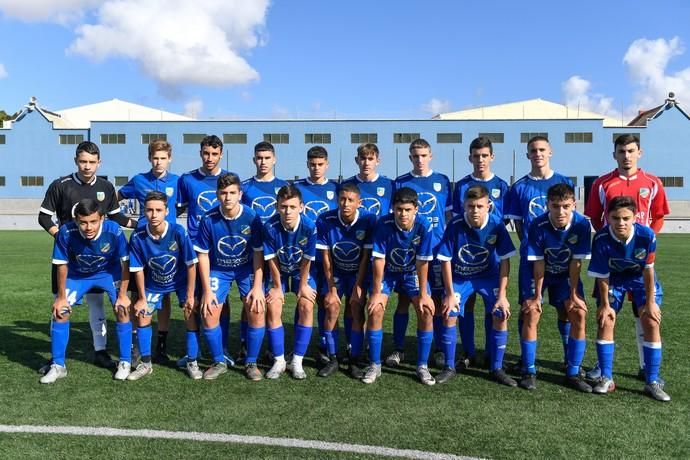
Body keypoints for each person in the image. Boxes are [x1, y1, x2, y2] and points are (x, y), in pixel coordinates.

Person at [38, 141, 135, 373]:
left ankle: (100, 351)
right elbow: (43, 217)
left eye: (92, 162)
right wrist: (62, 238)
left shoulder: (106, 186)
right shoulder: (60, 185)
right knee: (60, 305)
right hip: (70, 259)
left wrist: (142, 225)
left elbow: (116, 218)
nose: (87, 166)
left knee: (97, 304)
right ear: (76, 161)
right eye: (83, 161)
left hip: (99, 260)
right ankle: (56, 359)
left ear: (99, 163)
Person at [584, 134, 670, 381]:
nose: (626, 155)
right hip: (611, 262)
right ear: (615, 155)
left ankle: (646, 367)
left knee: (645, 313)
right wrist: (612, 241)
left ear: (639, 153)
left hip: (641, 259)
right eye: (621, 151)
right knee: (606, 312)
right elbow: (594, 216)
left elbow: (659, 215)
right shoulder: (603, 184)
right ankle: (603, 367)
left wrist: (643, 240)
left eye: (631, 151)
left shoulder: (652, 183)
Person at [587, 196, 670, 402]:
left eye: (626, 218)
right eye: (615, 218)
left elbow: (649, 271)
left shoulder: (646, 235)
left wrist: (650, 303)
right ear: (608, 217)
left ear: (634, 217)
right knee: (605, 320)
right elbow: (602, 275)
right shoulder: (601, 238)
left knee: (651, 320)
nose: (621, 223)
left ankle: (652, 381)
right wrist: (605, 305)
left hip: (640, 279)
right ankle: (607, 378)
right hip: (613, 279)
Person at [40, 198, 132, 383]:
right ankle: (58, 366)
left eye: (93, 222)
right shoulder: (66, 232)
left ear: (102, 219)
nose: (88, 227)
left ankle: (125, 362)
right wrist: (61, 297)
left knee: (122, 309)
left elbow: (125, 263)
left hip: (108, 273)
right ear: (76, 221)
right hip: (78, 275)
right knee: (61, 312)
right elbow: (62, 265)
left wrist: (122, 295)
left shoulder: (114, 230)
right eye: (83, 222)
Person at [504, 136, 573, 373]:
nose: (538, 154)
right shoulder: (520, 186)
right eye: (533, 150)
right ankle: (526, 360)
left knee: (566, 307)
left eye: (542, 149)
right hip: (531, 259)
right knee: (528, 307)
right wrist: (532, 247)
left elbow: (571, 217)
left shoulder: (563, 181)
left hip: (561, 260)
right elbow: (519, 224)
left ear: (550, 152)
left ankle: (568, 358)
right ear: (528, 155)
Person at [437, 185, 517, 386]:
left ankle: (496, 367)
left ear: (488, 206)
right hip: (461, 277)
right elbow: (445, 260)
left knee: (500, 312)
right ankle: (450, 365)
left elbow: (506, 260)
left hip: (488, 276)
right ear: (464, 205)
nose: (475, 210)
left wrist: (503, 295)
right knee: (449, 312)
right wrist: (448, 293)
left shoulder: (497, 224)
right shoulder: (455, 224)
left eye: (479, 206)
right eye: (470, 206)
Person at [194, 174, 266, 380]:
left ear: (240, 194)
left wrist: (258, 287)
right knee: (209, 311)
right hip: (219, 269)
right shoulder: (209, 218)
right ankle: (219, 361)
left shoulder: (252, 217)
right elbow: (203, 255)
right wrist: (207, 291)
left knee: (256, 308)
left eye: (232, 193)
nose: (228, 198)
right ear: (217, 195)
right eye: (224, 193)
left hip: (246, 269)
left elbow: (258, 253)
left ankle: (251, 362)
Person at [522, 183, 592, 392]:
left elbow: (576, 262)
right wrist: (536, 296)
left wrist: (573, 294)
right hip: (536, 269)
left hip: (565, 273)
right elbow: (539, 262)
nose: (560, 211)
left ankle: (572, 371)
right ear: (547, 205)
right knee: (531, 312)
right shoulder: (537, 224)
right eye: (555, 206)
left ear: (573, 205)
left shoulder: (581, 225)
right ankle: (529, 370)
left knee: (576, 312)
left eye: (565, 206)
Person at [363, 187, 435, 385]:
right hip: (387, 272)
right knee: (376, 309)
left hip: (411, 271)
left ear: (416, 209)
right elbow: (378, 260)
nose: (403, 214)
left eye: (407, 210)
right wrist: (377, 292)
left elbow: (422, 262)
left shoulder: (424, 225)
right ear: (393, 208)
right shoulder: (383, 224)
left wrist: (423, 294)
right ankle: (375, 365)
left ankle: (422, 366)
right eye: (399, 209)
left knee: (426, 310)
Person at [389, 139, 451, 369]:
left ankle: (437, 349)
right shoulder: (401, 182)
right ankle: (398, 348)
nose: (420, 160)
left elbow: (449, 217)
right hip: (408, 252)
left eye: (423, 155)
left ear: (431, 156)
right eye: (415, 156)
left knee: (434, 300)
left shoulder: (442, 181)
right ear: (410, 157)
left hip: (437, 252)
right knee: (405, 299)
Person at [177, 135, 236, 366]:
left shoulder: (229, 180)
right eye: (205, 153)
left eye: (214, 154)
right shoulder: (187, 179)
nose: (209, 158)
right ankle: (193, 352)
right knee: (192, 297)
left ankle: (222, 348)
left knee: (219, 299)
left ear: (221, 154)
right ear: (200, 153)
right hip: (194, 247)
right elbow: (177, 210)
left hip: (220, 249)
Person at [451, 136, 510, 369]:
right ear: (470, 158)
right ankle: (468, 351)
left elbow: (502, 224)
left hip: (492, 258)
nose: (480, 160)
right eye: (476, 156)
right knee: (467, 304)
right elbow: (457, 220)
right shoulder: (462, 186)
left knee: (492, 306)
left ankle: (490, 352)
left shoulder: (502, 186)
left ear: (492, 157)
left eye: (485, 155)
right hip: (465, 258)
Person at [118, 139, 179, 363]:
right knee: (138, 292)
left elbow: (184, 204)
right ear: (149, 158)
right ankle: (136, 342)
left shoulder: (177, 182)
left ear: (169, 159)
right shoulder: (139, 180)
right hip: (142, 243)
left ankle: (161, 343)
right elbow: (116, 199)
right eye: (155, 157)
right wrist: (130, 223)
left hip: (167, 244)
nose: (159, 162)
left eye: (163, 158)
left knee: (165, 294)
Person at [127, 191, 197, 380]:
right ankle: (146, 363)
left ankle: (192, 361)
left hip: (180, 280)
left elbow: (191, 265)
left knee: (190, 312)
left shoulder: (178, 232)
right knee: (142, 315)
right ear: (144, 212)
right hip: (154, 283)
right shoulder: (138, 236)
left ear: (167, 211)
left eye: (158, 210)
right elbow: (138, 269)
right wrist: (141, 298)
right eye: (149, 210)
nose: (154, 214)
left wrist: (190, 296)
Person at [315, 182, 376, 378]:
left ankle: (354, 358)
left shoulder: (368, 220)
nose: (346, 203)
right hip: (336, 273)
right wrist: (331, 288)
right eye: (342, 199)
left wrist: (359, 285)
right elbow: (326, 257)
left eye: (350, 200)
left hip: (357, 273)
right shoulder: (325, 219)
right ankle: (332, 358)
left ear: (359, 202)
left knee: (356, 307)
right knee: (331, 306)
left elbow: (366, 256)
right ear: (337, 200)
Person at [262, 185, 318, 380]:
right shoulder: (270, 226)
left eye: (292, 207)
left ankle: (297, 361)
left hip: (300, 271)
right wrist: (277, 287)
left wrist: (303, 285)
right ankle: (279, 360)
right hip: (279, 271)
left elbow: (307, 259)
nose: (288, 211)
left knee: (306, 305)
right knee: (273, 304)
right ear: (277, 207)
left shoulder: (309, 226)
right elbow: (271, 259)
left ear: (301, 207)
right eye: (283, 207)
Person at [239, 141, 289, 361]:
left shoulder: (284, 186)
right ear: (253, 160)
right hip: (252, 253)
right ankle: (245, 343)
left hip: (277, 253)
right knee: (250, 300)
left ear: (275, 159)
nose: (263, 162)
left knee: (272, 300)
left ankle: (271, 346)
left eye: (267, 158)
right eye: (259, 158)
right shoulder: (246, 187)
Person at [294, 146, 339, 364]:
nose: (316, 168)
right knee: (305, 299)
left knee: (328, 301)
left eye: (320, 164)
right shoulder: (297, 187)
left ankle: (325, 345)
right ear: (307, 164)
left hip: (330, 256)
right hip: (305, 256)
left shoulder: (335, 188)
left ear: (327, 165)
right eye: (312, 164)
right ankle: (297, 345)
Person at [341, 143, 394, 217]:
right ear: (357, 160)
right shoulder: (346, 185)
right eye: (363, 158)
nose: (366, 163)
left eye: (370, 159)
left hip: (380, 228)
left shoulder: (390, 185)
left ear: (378, 161)